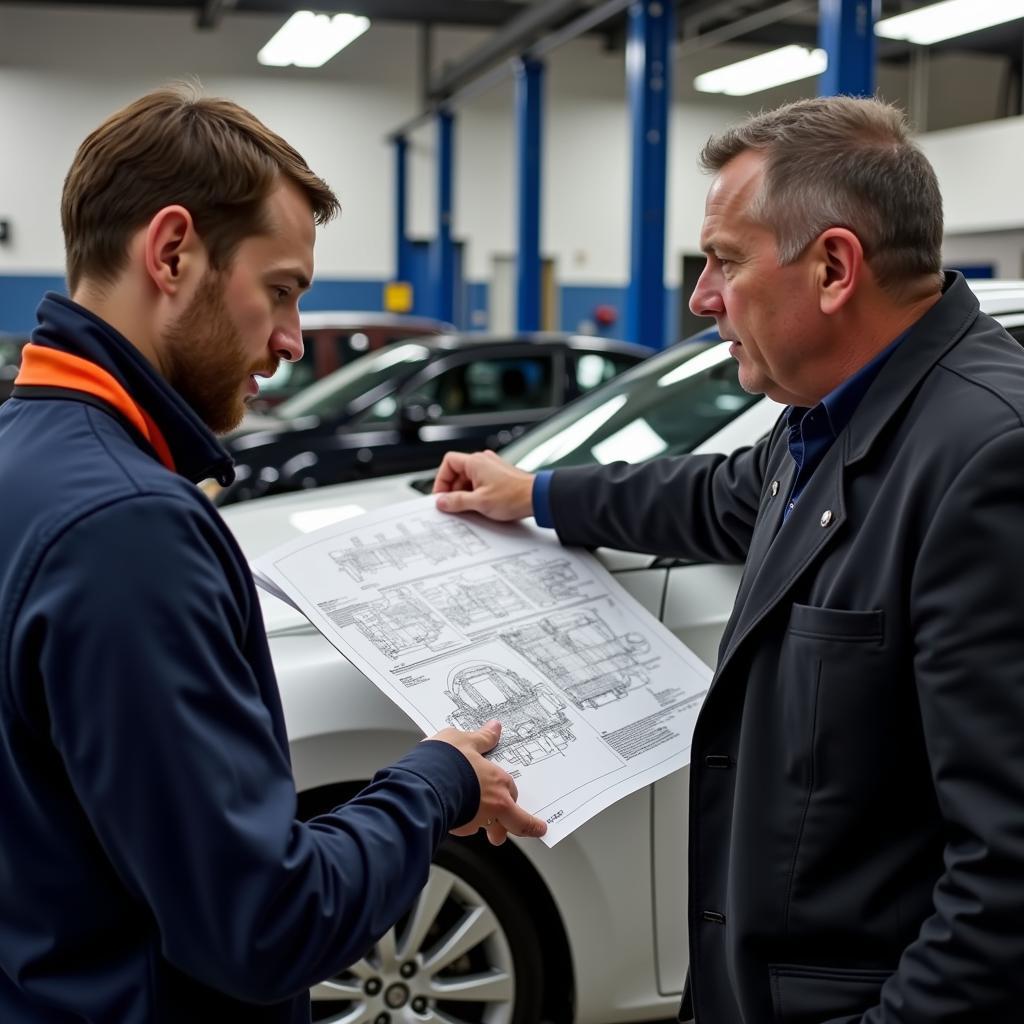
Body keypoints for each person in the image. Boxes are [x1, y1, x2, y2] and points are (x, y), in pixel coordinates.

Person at [434, 96, 1024, 1022]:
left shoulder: (987, 459)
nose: (703, 297)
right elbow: (712, 495)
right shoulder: (829, 416)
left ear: (834, 267)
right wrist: (534, 494)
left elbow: (1008, 879)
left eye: (724, 261)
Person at [0, 85, 545, 1022]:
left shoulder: (24, 457)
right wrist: (434, 780)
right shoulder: (129, 529)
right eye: (282, 290)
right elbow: (264, 924)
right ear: (173, 253)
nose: (292, 340)